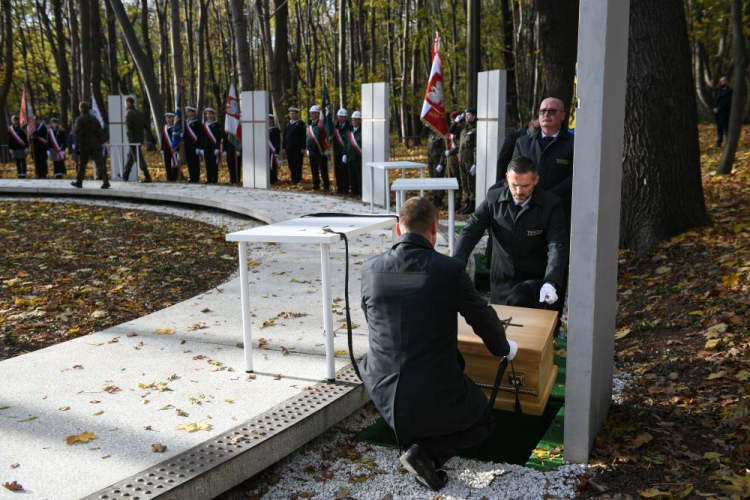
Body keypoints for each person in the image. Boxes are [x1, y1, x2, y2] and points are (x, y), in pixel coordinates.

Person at [360, 196, 517, 492]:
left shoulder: (369, 269)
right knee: (483, 420)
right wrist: (503, 348)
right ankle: (427, 454)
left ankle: (413, 442)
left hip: (381, 388)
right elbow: (482, 318)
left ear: (398, 229)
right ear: (435, 228)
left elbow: (372, 320)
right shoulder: (449, 270)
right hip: (431, 391)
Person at [453, 156, 568, 315]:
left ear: (536, 180)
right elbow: (470, 231)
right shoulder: (493, 199)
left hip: (535, 281)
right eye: (514, 185)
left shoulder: (551, 205)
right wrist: (457, 263)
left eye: (525, 186)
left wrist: (551, 281)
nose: (519, 191)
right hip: (502, 278)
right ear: (507, 178)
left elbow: (557, 245)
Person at [512, 97, 574, 228]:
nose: (546, 115)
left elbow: (575, 178)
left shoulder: (573, 143)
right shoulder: (523, 142)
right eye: (542, 111)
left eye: (552, 111)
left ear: (562, 116)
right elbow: (514, 173)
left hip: (560, 210)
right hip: (528, 208)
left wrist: (547, 197)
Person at [71, 101, 108, 189]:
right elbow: (100, 132)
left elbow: (77, 134)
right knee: (100, 164)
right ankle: (106, 181)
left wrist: (76, 147)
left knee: (82, 164)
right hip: (95, 144)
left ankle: (79, 182)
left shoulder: (79, 120)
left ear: (81, 108)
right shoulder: (95, 119)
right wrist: (99, 142)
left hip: (85, 145)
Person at [451, 108, 477, 214]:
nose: (467, 117)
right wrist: (456, 121)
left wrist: (475, 163)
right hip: (461, 159)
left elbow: (476, 147)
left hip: (470, 161)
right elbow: (451, 131)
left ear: (475, 116)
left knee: (471, 183)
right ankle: (467, 203)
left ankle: (472, 204)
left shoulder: (476, 129)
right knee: (464, 182)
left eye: (469, 115)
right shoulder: (463, 128)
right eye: (466, 115)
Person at [496, 118, 539, 184]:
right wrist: (500, 182)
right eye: (536, 129)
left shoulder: (541, 140)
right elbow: (503, 160)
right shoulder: (514, 137)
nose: (538, 132)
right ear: (530, 125)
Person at [122, 95, 152, 182]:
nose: (125, 104)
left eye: (125, 103)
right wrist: (151, 136)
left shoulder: (129, 114)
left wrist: (130, 139)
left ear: (128, 103)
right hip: (140, 139)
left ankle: (147, 175)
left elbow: (129, 128)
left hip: (133, 140)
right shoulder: (140, 113)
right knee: (131, 156)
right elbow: (147, 126)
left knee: (138, 158)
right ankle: (125, 174)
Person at [305, 105, 330, 192]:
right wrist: (307, 148)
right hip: (311, 150)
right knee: (313, 168)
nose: (311, 115)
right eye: (310, 113)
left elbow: (324, 135)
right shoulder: (309, 124)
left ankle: (326, 185)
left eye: (313, 113)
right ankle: (316, 184)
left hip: (320, 149)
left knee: (323, 168)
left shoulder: (321, 123)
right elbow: (307, 137)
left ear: (317, 114)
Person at [426, 127, 446, 208]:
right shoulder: (431, 133)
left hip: (438, 161)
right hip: (431, 160)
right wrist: (426, 126)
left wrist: (441, 163)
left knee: (439, 180)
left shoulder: (441, 134)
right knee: (433, 179)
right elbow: (423, 135)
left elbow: (444, 150)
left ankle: (439, 198)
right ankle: (435, 196)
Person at [284, 107, 306, 184]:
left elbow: (304, 136)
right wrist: (284, 147)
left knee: (298, 164)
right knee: (291, 164)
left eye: (293, 113)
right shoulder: (287, 124)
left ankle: (297, 178)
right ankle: (293, 177)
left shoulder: (301, 123)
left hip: (298, 148)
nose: (291, 115)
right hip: (289, 148)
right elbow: (284, 136)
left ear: (297, 114)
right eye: (290, 114)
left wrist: (303, 147)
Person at [332, 108, 351, 195]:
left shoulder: (349, 127)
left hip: (344, 153)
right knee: (338, 172)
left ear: (346, 117)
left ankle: (345, 189)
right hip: (336, 153)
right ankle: (339, 188)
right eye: (339, 117)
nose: (340, 118)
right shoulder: (335, 127)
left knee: (345, 172)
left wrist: (345, 153)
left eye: (342, 117)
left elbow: (348, 141)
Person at [202, 107, 222, 184]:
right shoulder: (204, 125)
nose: (208, 115)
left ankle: (215, 179)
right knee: (208, 164)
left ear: (213, 114)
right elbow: (202, 137)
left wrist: (217, 147)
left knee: (214, 164)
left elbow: (218, 137)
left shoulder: (217, 124)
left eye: (210, 113)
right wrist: (201, 148)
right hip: (206, 147)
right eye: (207, 113)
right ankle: (209, 179)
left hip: (214, 148)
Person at [447, 110, 463, 207]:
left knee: (458, 179)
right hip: (451, 156)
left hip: (458, 156)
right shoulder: (453, 129)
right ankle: (453, 199)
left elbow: (460, 145)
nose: (451, 121)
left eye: (453, 119)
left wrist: (457, 122)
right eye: (451, 120)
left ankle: (458, 199)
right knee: (452, 178)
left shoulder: (460, 129)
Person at [346, 110, 363, 196]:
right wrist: (344, 154)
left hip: (358, 157)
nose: (354, 121)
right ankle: (353, 191)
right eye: (353, 120)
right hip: (350, 156)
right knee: (351, 175)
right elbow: (347, 143)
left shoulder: (363, 131)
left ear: (360, 120)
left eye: (356, 120)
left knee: (359, 175)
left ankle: (361, 192)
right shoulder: (349, 130)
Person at [184, 106, 203, 183]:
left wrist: (199, 146)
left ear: (193, 113)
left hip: (195, 147)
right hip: (187, 146)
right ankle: (191, 177)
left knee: (195, 163)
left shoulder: (198, 123)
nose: (187, 113)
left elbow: (200, 136)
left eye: (189, 111)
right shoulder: (185, 123)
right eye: (187, 112)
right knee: (189, 162)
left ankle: (196, 177)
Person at [713, 76, 732, 148]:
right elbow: (716, 100)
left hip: (725, 112)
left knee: (726, 128)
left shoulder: (730, 91)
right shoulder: (719, 91)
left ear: (727, 81)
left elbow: (727, 102)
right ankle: (719, 143)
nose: (722, 82)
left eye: (724, 80)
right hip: (718, 113)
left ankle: (728, 143)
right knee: (719, 128)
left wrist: (719, 108)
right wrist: (714, 108)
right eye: (721, 81)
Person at [161, 112, 179, 181]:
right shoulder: (164, 127)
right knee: (167, 163)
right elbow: (163, 138)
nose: (168, 119)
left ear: (173, 118)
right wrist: (162, 148)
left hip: (173, 148)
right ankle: (169, 177)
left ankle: (174, 177)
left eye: (170, 118)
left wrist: (177, 148)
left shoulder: (175, 127)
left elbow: (177, 139)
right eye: (167, 118)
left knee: (174, 163)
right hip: (166, 148)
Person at [268, 114, 281, 184]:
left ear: (272, 120)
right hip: (266, 151)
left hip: (272, 150)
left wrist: (277, 152)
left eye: (270, 119)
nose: (269, 121)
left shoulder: (275, 129)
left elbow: (277, 141)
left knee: (272, 164)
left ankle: (273, 179)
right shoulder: (265, 128)